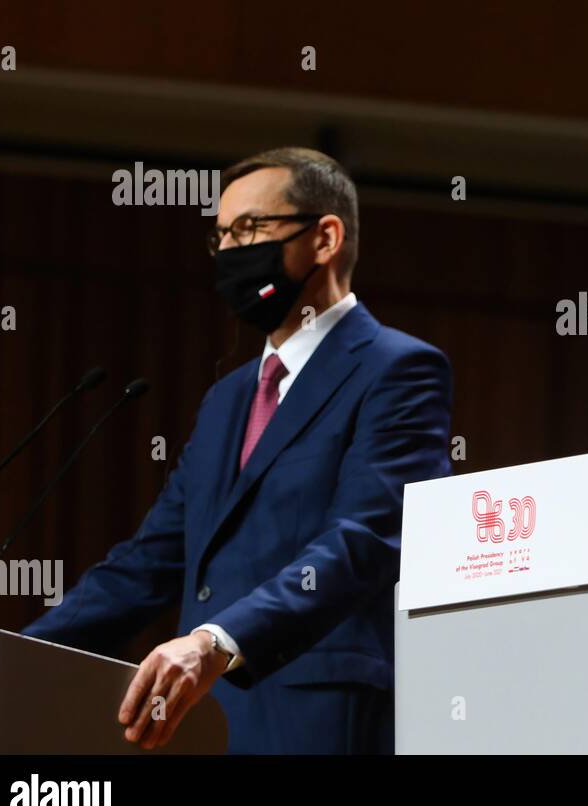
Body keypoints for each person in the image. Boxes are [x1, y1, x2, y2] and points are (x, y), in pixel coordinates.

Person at [24, 147, 453, 753]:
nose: (230, 252)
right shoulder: (228, 398)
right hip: (194, 723)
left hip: (316, 716)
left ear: (325, 237)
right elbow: (149, 562)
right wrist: (11, 656)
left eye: (250, 228)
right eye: (221, 236)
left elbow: (366, 537)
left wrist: (216, 641)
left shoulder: (399, 370)